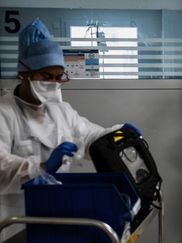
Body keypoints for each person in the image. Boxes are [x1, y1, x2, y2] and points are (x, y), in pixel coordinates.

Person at [0, 19, 141, 241]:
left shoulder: (61, 111)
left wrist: (118, 134)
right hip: (16, 224)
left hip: (59, 217)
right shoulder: (4, 113)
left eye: (59, 77)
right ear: (24, 73)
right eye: (46, 76)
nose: (54, 84)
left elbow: (90, 136)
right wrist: (42, 167)